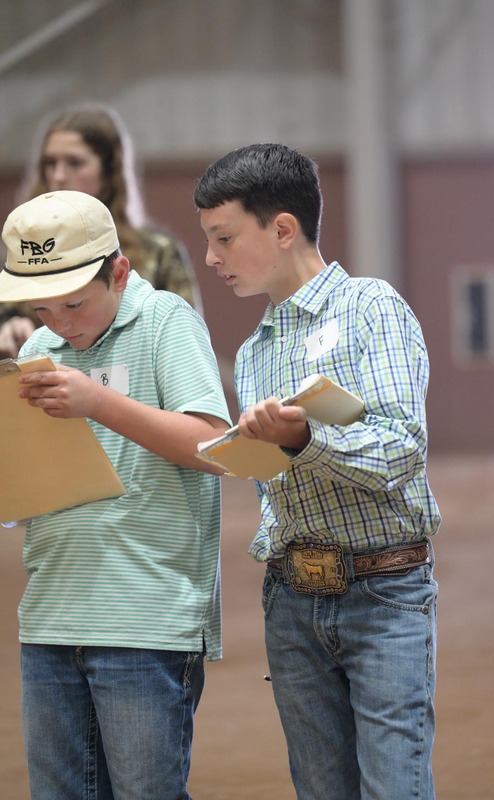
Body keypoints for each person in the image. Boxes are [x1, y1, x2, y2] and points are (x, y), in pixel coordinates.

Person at [194, 143, 442, 800]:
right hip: (291, 603)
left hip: (385, 595)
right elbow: (275, 486)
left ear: (281, 228)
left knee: (395, 787)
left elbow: (402, 450)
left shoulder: (371, 308)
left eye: (223, 238)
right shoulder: (252, 352)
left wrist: (306, 438)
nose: (211, 259)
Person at [0, 189, 231, 800]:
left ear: (120, 271)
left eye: (74, 303)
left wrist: (97, 401)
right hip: (50, 616)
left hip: (148, 620)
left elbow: (213, 446)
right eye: (42, 309)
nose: (60, 323)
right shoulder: (36, 351)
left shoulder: (167, 323)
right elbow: (28, 487)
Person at [0, 103, 202, 358]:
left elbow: (185, 338)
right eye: (50, 163)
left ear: (108, 171)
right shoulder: (21, 250)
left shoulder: (157, 251)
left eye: (75, 163)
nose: (59, 176)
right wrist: (8, 327)